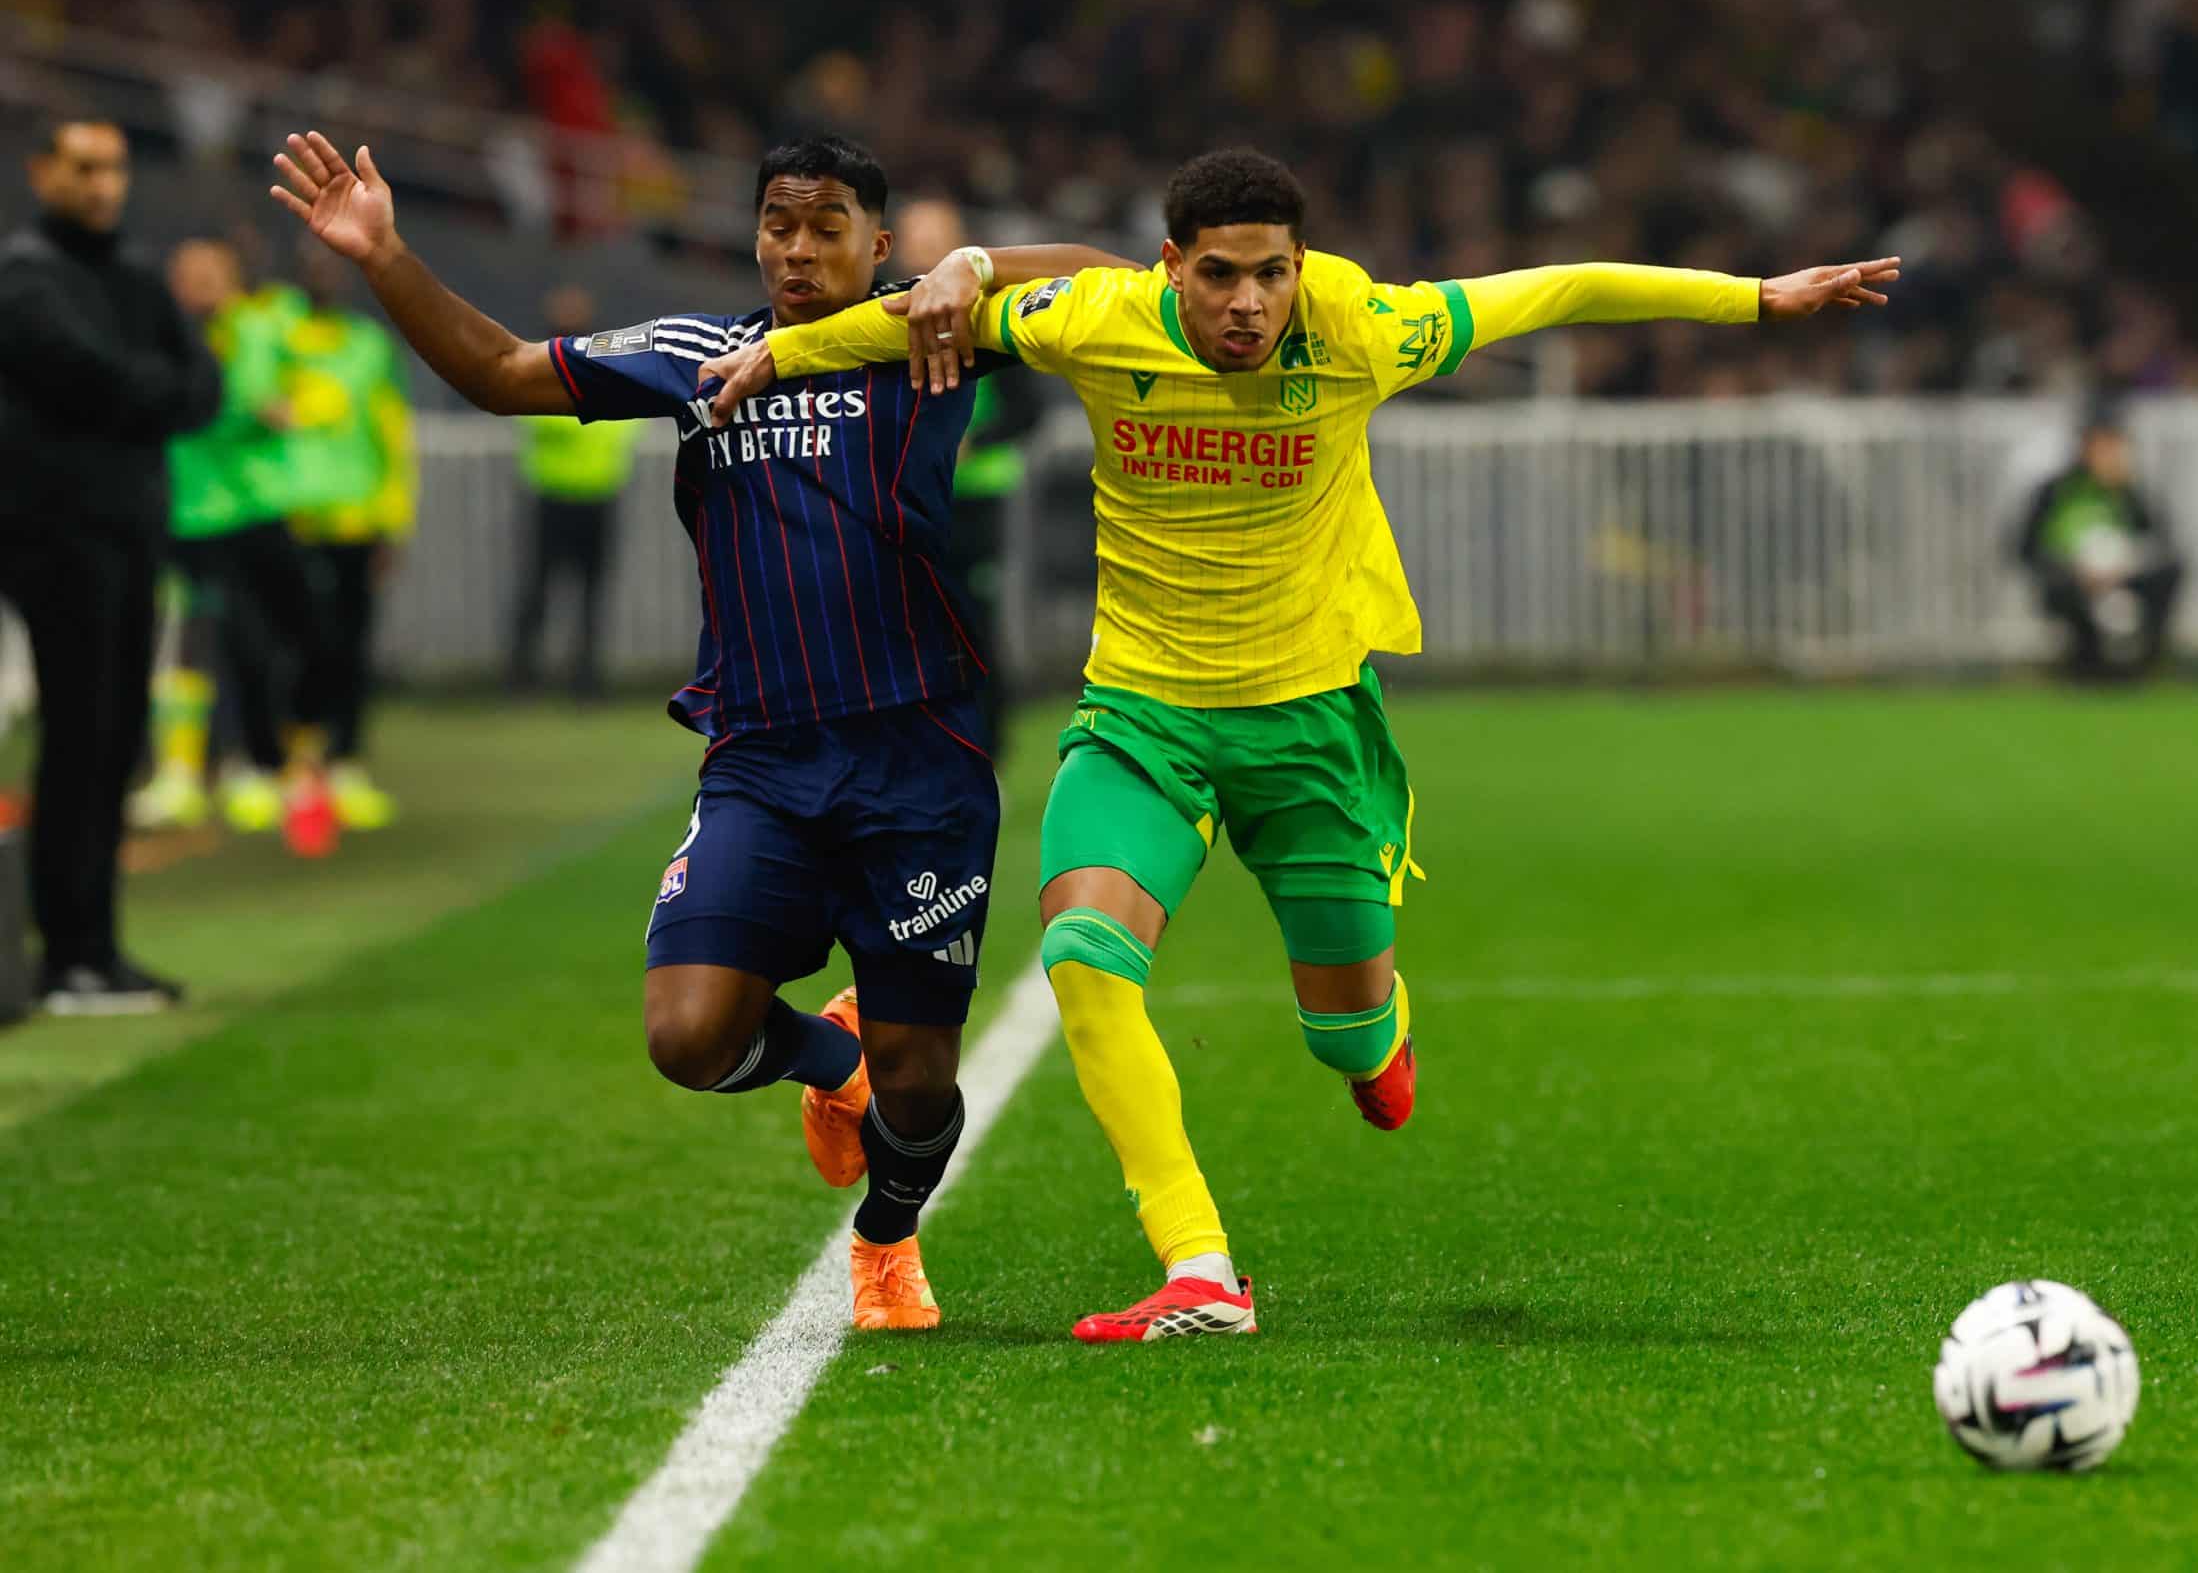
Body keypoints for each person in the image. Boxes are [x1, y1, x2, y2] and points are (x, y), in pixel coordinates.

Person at [701, 147, 1897, 1341]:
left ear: (1301, 265)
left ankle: (1375, 1038)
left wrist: (1758, 298)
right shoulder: (1100, 319)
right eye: (1220, 276)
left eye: (1272, 275)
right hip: (1141, 718)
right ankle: (1201, 1269)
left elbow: (1561, 287)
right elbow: (896, 326)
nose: (1248, 306)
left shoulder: (1364, 325)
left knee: (1351, 1042)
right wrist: (784, 351)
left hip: (1309, 726)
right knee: (1081, 951)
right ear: (1170, 268)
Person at [269, 128, 1129, 1329]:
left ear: (879, 247)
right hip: (763, 765)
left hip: (917, 764)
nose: (797, 247)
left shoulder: (929, 335)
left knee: (924, 1090)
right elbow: (505, 371)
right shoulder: (697, 352)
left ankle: (886, 1233)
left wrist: (974, 265)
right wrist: (385, 255)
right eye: (779, 222)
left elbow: (1116, 279)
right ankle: (835, 1065)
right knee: (685, 1034)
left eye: (828, 225)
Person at [0, 118, 219, 1013]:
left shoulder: (132, 274)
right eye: (84, 167)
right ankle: (68, 954)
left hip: (129, 537)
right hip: (54, 536)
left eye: (115, 168)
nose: (102, 185)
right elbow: (97, 377)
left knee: (117, 737)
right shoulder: (22, 278)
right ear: (43, 170)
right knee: (81, 733)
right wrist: (151, 389)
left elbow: (201, 388)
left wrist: (145, 389)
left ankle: (96, 947)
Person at [133, 239, 322, 836]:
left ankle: (263, 764)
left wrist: (287, 406)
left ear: (235, 280)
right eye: (187, 276)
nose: (199, 287)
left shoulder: (265, 327)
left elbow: (297, 391)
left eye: (210, 275)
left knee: (270, 641)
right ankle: (185, 773)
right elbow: (207, 406)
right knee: (192, 642)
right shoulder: (163, 336)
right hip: (192, 515)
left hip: (260, 509)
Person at [891, 198, 1039, 756]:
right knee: (902, 630)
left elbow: (1029, 409)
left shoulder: (992, 313)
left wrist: (973, 444)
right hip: (903, 502)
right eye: (917, 238)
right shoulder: (881, 314)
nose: (925, 251)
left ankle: (988, 751)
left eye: (937, 239)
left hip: (974, 504)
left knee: (973, 628)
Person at [280, 242, 417, 840]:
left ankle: (346, 764)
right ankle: (296, 763)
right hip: (292, 518)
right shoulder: (277, 340)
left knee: (352, 645)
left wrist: (395, 517)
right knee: (299, 645)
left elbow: (391, 435)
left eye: (330, 267)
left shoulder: (367, 347)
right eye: (311, 267)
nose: (322, 276)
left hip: (357, 520)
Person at [509, 285, 648, 698]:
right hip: (553, 492)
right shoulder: (539, 361)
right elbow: (529, 415)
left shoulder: (607, 365)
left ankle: (585, 680)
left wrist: (576, 417)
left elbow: (629, 418)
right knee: (538, 589)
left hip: (599, 492)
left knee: (591, 593)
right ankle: (522, 678)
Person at [2014, 399, 2183, 682]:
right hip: (2070, 574)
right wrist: (2073, 568)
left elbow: (2158, 537)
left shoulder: (2129, 492)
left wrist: (2123, 563)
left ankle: (2145, 662)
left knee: (2169, 572)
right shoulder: (2055, 491)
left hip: (2124, 571)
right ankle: (2087, 666)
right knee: (2068, 592)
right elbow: (2025, 547)